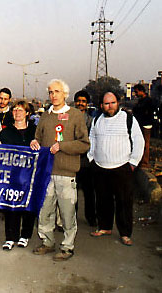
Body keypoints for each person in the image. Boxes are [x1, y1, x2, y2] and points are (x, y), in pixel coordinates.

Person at [30, 79, 89, 261]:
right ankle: (47, 242)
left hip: (66, 172)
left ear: (65, 94)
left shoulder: (76, 115)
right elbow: (38, 138)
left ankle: (67, 247)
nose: (53, 95)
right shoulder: (45, 116)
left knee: (67, 213)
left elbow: (84, 144)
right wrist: (35, 142)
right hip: (46, 173)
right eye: (50, 92)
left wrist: (62, 146)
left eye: (57, 91)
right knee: (45, 210)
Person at [88, 92, 144, 246]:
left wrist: (133, 162)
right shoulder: (97, 120)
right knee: (102, 199)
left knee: (124, 202)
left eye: (112, 102)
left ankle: (125, 233)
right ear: (101, 106)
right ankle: (105, 227)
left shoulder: (128, 119)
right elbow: (91, 139)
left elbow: (139, 140)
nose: (110, 106)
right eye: (106, 103)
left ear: (117, 103)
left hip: (122, 167)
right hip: (100, 166)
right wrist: (91, 157)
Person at [0, 101, 37, 250]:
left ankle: (25, 235)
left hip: (30, 176)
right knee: (11, 206)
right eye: (14, 110)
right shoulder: (6, 131)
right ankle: (10, 237)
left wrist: (36, 142)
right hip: (12, 176)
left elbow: (43, 146)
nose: (17, 113)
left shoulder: (35, 130)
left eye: (21, 110)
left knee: (28, 206)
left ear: (27, 113)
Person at [73, 90, 96, 226]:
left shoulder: (92, 121)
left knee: (89, 192)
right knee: (72, 193)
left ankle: (91, 217)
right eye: (79, 101)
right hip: (72, 159)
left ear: (87, 104)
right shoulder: (69, 118)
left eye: (83, 101)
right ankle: (71, 218)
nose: (80, 104)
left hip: (86, 161)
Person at [132, 84, 155, 169]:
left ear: (141, 91)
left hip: (146, 124)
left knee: (145, 143)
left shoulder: (148, 101)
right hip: (140, 124)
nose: (136, 94)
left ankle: (145, 162)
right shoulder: (141, 101)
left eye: (136, 92)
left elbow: (147, 112)